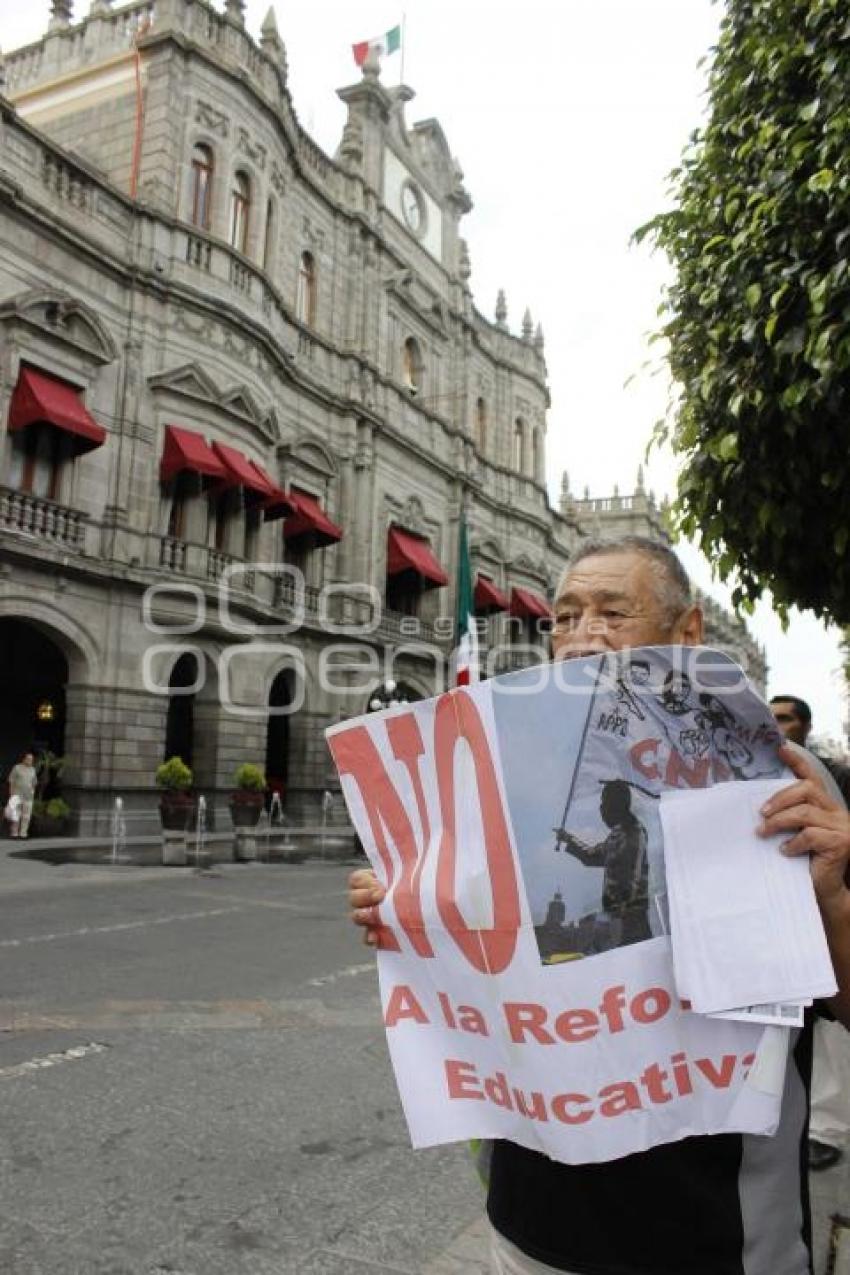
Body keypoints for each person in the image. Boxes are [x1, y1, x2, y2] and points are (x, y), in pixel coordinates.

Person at [349, 535, 850, 1275]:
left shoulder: (794, 784)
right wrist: (405, 905)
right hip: (531, 1226)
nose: (583, 638)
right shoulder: (496, 778)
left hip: (718, 1236)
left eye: (613, 613)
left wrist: (835, 900)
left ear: (687, 634)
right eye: (565, 616)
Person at [771, 693, 850, 1173]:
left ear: (805, 725)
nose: (777, 726)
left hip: (823, 934)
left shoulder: (830, 778)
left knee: (830, 1038)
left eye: (785, 719)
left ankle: (827, 1128)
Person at [553, 779, 650, 950]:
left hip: (629, 921)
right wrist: (569, 839)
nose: (601, 809)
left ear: (617, 804)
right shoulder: (622, 833)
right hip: (623, 921)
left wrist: (612, 917)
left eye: (604, 803)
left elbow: (625, 880)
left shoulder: (630, 832)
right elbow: (592, 856)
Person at [6, 750, 37, 839]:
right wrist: (11, 794)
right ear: (24, 759)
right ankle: (14, 833)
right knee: (16, 815)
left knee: (26, 816)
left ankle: (23, 834)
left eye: (31, 759)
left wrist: (32, 792)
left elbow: (34, 783)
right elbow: (11, 781)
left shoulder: (33, 770)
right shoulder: (17, 768)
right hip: (17, 795)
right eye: (28, 759)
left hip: (28, 797)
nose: (30, 761)